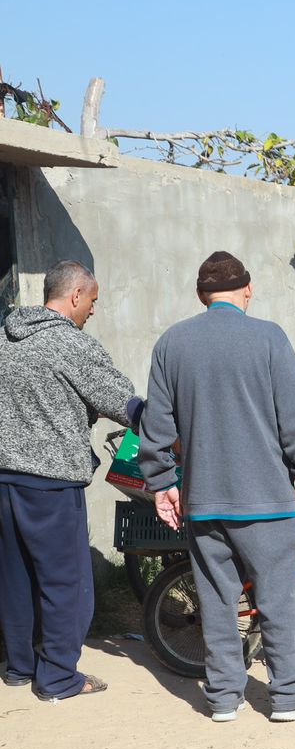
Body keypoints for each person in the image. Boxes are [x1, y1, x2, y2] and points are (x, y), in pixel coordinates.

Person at [139, 252, 295, 723]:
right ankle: (288, 697)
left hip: (203, 503)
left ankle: (224, 697)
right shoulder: (269, 339)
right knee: (278, 597)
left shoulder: (171, 344)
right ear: (248, 289)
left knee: (217, 600)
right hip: (266, 499)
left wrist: (162, 484)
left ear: (202, 297)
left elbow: (156, 427)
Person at [0, 260, 141, 701]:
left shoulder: (6, 336)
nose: (93, 311)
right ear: (76, 295)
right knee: (67, 583)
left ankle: (20, 666)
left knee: (15, 577)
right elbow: (123, 402)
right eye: (93, 302)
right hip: (52, 482)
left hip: (4, 479)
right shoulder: (70, 343)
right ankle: (59, 677)